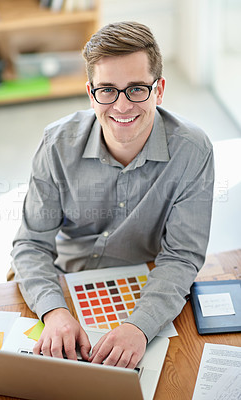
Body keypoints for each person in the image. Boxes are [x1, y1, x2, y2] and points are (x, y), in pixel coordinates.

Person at [11, 21, 214, 369]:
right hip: (62, 279)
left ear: (159, 90)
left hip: (141, 284)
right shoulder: (56, 144)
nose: (121, 106)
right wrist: (55, 311)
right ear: (91, 93)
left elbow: (181, 256)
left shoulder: (193, 151)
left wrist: (140, 326)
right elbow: (30, 245)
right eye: (107, 90)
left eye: (137, 89)